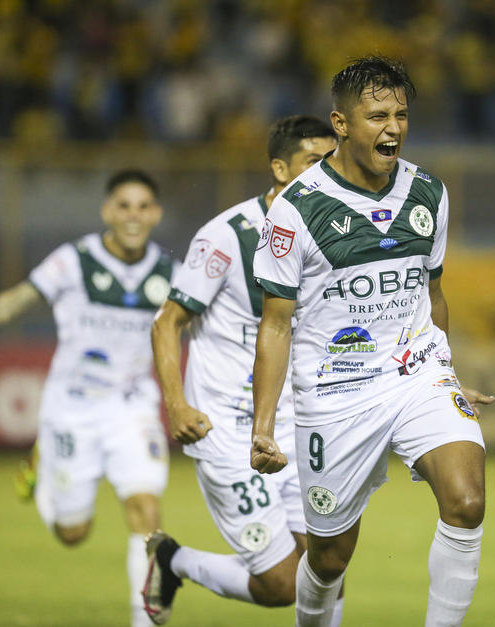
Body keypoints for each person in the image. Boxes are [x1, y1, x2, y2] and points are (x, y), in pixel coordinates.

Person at [249, 56, 495, 627]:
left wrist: (445, 370)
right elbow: (276, 325)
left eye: (401, 115)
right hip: (335, 394)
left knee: (467, 502)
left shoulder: (428, 192)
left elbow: (433, 293)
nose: (393, 128)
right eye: (377, 116)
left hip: (416, 373)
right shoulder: (296, 211)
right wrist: (263, 426)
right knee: (329, 559)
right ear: (340, 124)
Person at [144, 115, 342, 625]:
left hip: (303, 427)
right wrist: (176, 405)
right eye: (313, 161)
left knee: (328, 566)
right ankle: (173, 560)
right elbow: (167, 323)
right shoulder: (227, 237)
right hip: (229, 431)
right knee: (281, 584)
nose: (326, 172)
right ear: (280, 168)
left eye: (332, 161)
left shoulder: (337, 234)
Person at [0, 170, 174, 627]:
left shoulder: (171, 272)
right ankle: (44, 465)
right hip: (72, 409)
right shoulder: (73, 261)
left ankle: (145, 621)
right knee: (72, 532)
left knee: (146, 507)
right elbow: (13, 302)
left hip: (133, 406)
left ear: (155, 214)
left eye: (142, 207)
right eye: (124, 206)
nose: (133, 216)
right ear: (107, 211)